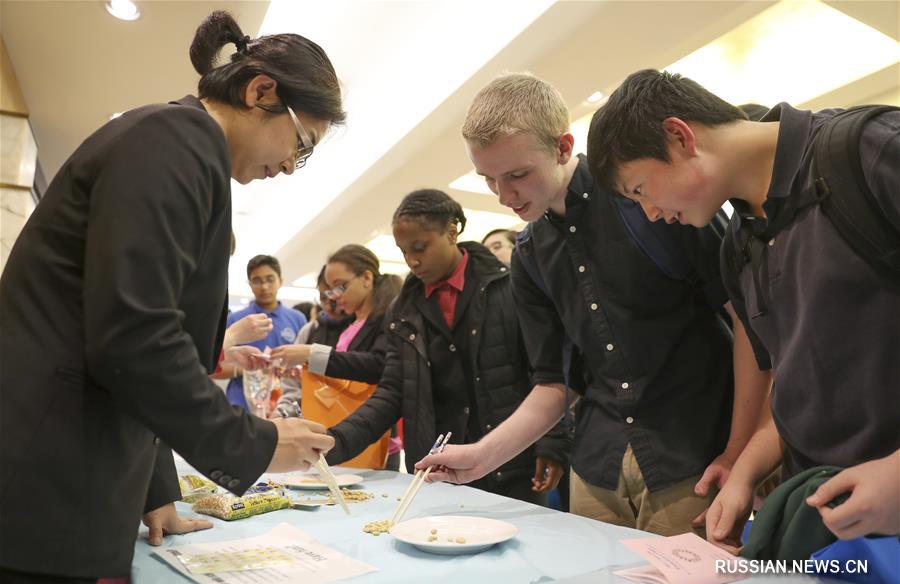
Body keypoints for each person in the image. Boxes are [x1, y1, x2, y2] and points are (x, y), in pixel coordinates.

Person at [0, 11, 342, 584]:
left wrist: (156, 491)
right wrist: (253, 443)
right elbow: (134, 336)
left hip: (69, 473)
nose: (290, 166)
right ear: (261, 91)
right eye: (301, 146)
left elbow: (133, 341)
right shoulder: (173, 140)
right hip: (44, 479)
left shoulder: (184, 148)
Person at [417, 73, 770, 536]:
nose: (505, 196)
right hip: (597, 468)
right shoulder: (529, 255)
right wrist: (481, 455)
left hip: (693, 456)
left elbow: (748, 320)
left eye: (518, 174)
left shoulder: (653, 194)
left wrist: (742, 451)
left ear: (563, 147)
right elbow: (553, 386)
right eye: (489, 180)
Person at [584, 68, 899, 548]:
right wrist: (743, 473)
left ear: (679, 136)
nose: (650, 213)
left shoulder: (866, 151)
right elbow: (798, 387)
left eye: (640, 190)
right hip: (827, 523)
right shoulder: (738, 246)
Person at [326, 189, 570, 503]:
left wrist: (552, 443)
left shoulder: (508, 289)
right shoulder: (402, 311)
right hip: (438, 472)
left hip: (510, 465)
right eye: (403, 251)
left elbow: (543, 371)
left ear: (452, 232)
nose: (412, 260)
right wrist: (337, 440)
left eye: (420, 247)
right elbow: (392, 391)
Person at [272, 246, 403, 469]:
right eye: (331, 290)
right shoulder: (354, 324)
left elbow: (377, 366)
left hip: (370, 434)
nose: (335, 297)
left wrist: (310, 354)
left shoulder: (386, 319)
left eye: (341, 286)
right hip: (347, 431)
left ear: (366, 278)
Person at [213, 254, 307, 411]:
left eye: (270, 279)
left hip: (286, 402)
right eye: (257, 281)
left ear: (280, 281)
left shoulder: (297, 319)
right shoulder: (235, 320)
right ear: (250, 284)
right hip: (242, 403)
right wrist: (247, 370)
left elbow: (305, 361)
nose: (264, 286)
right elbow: (212, 367)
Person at [275, 264, 353, 418]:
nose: (328, 305)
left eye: (334, 298)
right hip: (314, 419)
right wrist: (283, 412)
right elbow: (293, 384)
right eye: (323, 298)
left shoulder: (362, 328)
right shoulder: (310, 331)